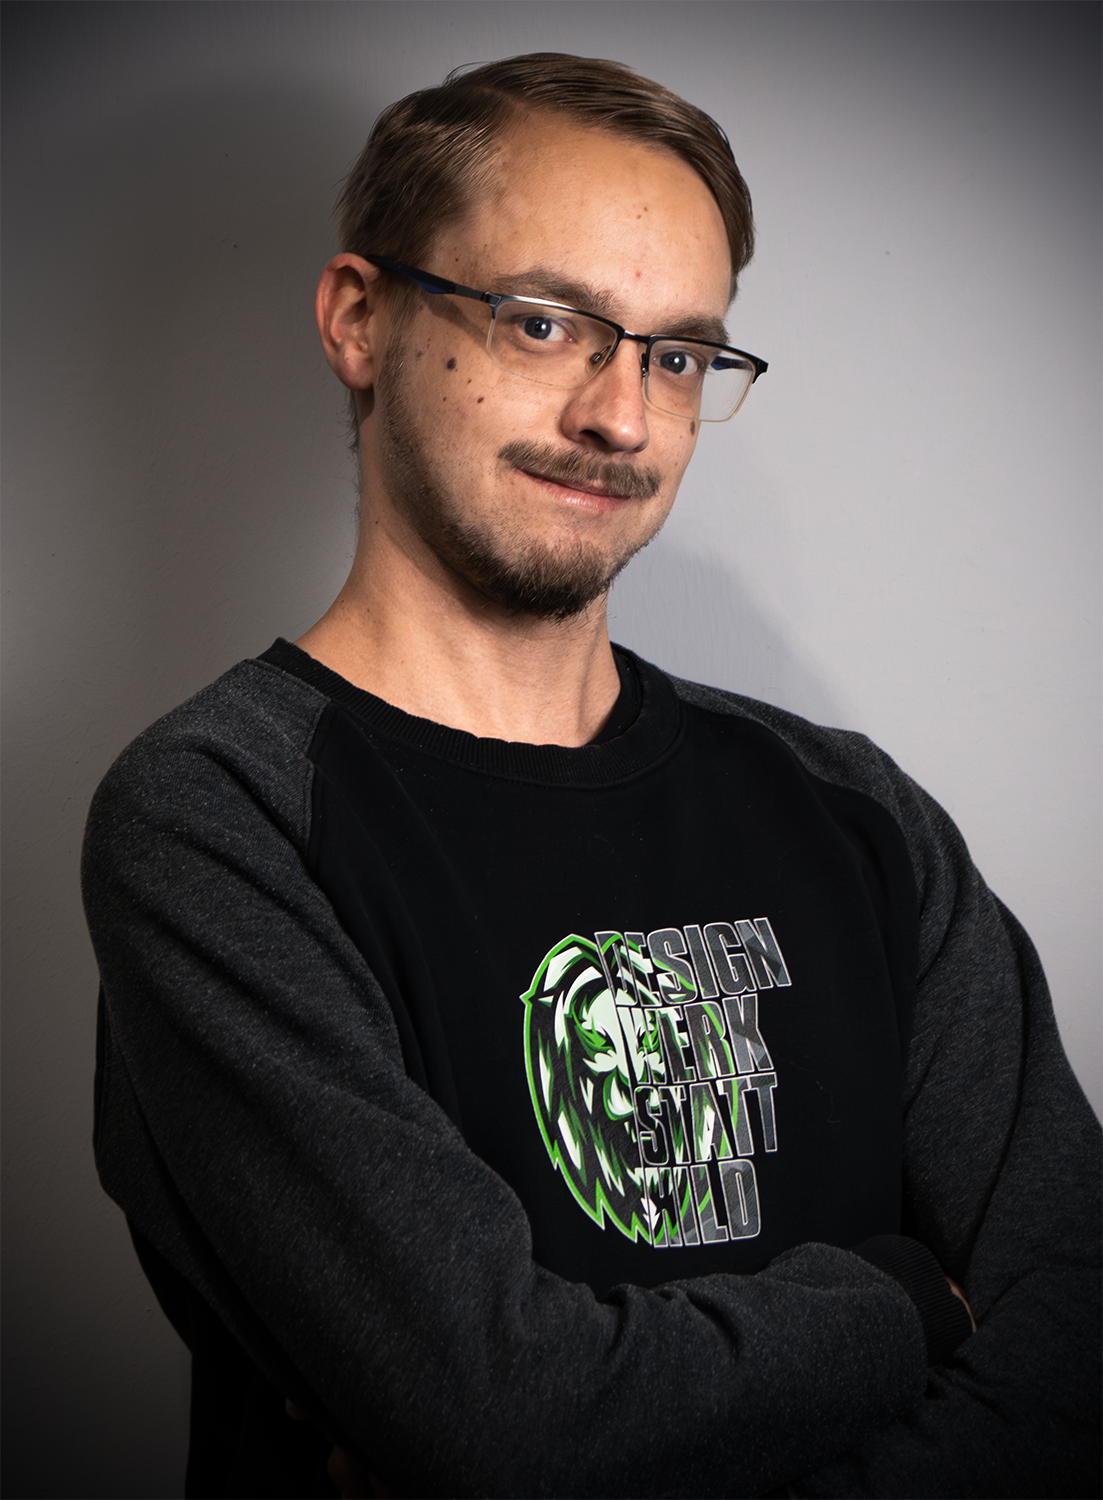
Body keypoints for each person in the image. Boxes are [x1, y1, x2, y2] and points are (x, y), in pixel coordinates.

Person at [82, 53, 1102, 1500]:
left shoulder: (851, 810)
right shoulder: (222, 818)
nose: (620, 418)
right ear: (360, 320)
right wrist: (899, 1301)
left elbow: (1076, 1337)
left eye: (676, 356)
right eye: (545, 323)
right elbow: (508, 1416)